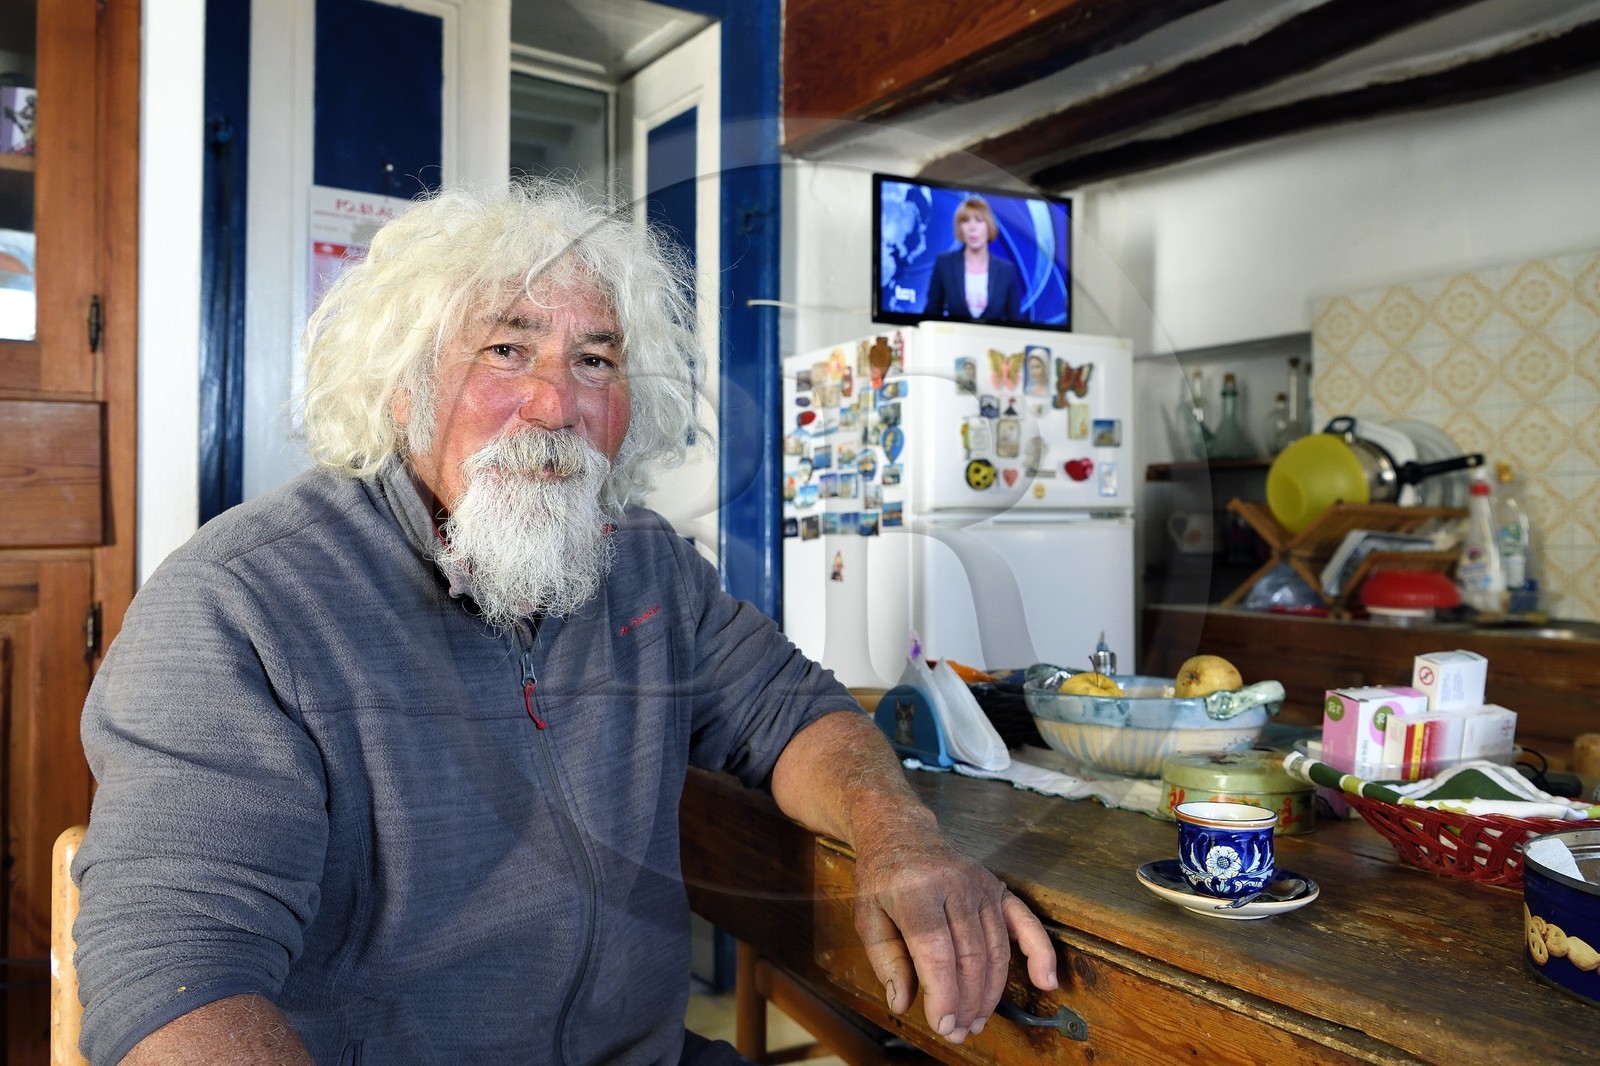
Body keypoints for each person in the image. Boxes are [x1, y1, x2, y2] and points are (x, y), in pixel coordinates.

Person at [70, 179, 1057, 1065]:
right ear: (401, 382)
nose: (555, 402)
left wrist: (901, 838)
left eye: (595, 360)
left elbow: (788, 707)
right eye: (507, 349)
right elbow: (176, 983)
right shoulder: (240, 601)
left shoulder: (648, 563)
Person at [920, 195, 1024, 323]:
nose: (972, 228)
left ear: (988, 226)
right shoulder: (944, 264)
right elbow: (931, 314)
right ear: (960, 227)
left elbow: (1015, 321)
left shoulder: (1006, 270)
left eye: (979, 221)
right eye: (966, 221)